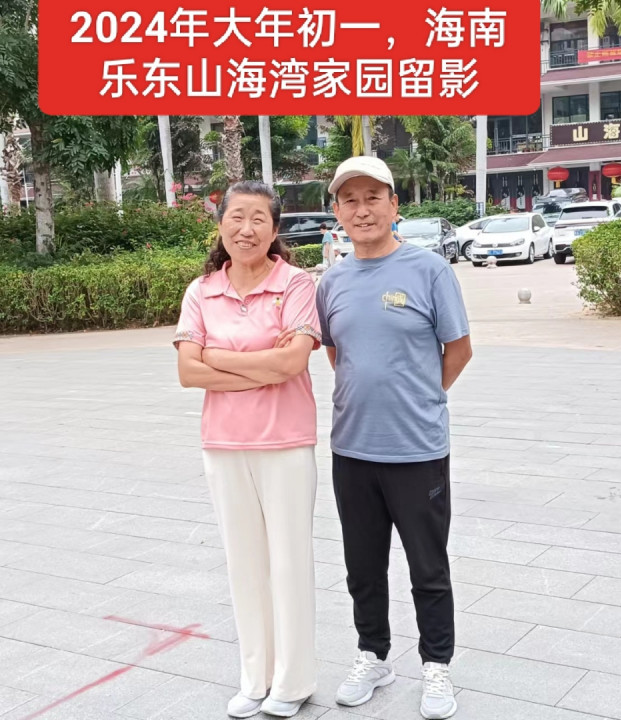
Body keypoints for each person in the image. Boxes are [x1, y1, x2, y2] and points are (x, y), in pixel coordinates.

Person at [316, 157, 472, 720]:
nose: (362, 210)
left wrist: (421, 397)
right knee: (362, 566)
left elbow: (459, 349)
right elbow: (336, 352)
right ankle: (373, 655)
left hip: (417, 449)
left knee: (428, 567)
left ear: (394, 205)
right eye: (350, 200)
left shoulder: (429, 270)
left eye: (373, 198)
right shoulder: (331, 281)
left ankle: (437, 664)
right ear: (338, 212)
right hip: (352, 448)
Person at [174, 181, 322, 719]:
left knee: (289, 562)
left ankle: (293, 681)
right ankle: (254, 677)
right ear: (220, 226)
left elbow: (292, 363)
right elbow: (188, 373)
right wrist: (262, 367)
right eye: (236, 217)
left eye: (259, 218)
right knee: (244, 565)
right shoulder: (201, 291)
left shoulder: (296, 284)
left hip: (285, 443)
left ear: (275, 229)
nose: (246, 229)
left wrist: (216, 356)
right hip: (223, 443)